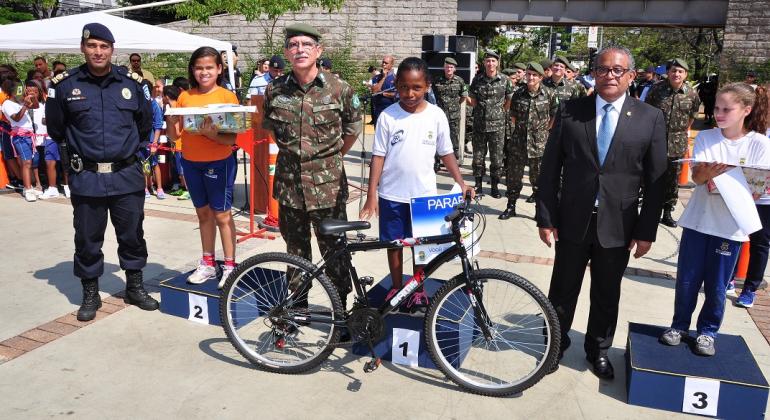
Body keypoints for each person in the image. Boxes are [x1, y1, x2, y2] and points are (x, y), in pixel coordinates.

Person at [536, 45, 667, 378]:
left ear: (631, 76)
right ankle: (555, 344)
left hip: (620, 223)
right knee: (563, 287)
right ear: (594, 73)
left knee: (607, 291)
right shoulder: (570, 111)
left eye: (618, 70)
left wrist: (646, 230)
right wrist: (546, 217)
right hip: (573, 219)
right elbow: (550, 169)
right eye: (603, 69)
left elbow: (656, 182)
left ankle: (599, 350)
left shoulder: (650, 118)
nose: (610, 75)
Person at [45, 23, 159, 321]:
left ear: (112, 49)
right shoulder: (64, 85)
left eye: (104, 46)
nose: (98, 51)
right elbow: (57, 129)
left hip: (126, 174)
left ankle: (134, 287)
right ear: (83, 48)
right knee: (87, 237)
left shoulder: (132, 83)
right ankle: (90, 293)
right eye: (92, 46)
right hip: (87, 177)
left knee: (133, 234)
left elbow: (144, 124)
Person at [660, 83, 770, 355]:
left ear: (746, 110)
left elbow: (756, 188)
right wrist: (724, 176)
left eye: (726, 109)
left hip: (730, 228)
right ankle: (679, 325)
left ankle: (708, 332)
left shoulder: (759, 144)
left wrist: (718, 175)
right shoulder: (708, 137)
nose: (719, 113)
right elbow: (699, 178)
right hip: (698, 221)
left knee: (717, 285)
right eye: (717, 108)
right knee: (687, 280)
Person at [262, 23, 362, 309]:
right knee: (295, 249)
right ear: (286, 52)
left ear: (319, 50)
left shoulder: (339, 89)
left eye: (306, 44)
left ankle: (340, 308)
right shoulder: (275, 90)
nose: (300, 49)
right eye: (294, 45)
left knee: (335, 250)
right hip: (290, 186)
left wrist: (331, 158)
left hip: (327, 188)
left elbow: (353, 129)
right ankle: (299, 306)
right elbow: (272, 129)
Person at [360, 57, 472, 308]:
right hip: (392, 195)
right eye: (403, 87)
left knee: (422, 247)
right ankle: (398, 288)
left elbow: (447, 153)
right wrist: (372, 194)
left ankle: (418, 288)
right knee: (394, 244)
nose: (409, 94)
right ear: (396, 86)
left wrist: (461, 183)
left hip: (424, 198)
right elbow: (378, 156)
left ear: (428, 86)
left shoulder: (436, 115)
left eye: (416, 88)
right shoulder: (388, 116)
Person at [165, 47, 239, 288]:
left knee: (222, 215)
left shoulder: (227, 97)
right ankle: (208, 262)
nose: (204, 72)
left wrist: (212, 134)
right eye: (199, 68)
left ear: (219, 69)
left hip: (219, 161)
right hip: (191, 162)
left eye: (209, 67)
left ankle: (230, 266)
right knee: (203, 214)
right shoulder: (185, 97)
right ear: (192, 70)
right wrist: (170, 120)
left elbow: (231, 140)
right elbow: (175, 136)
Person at [645, 58, 701, 228]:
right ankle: (650, 212)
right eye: (674, 71)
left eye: (680, 71)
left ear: (685, 74)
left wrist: (681, 132)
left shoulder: (691, 94)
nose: (676, 74)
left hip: (677, 144)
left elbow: (692, 116)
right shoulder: (656, 89)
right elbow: (646, 112)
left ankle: (667, 212)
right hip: (656, 141)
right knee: (652, 177)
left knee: (672, 180)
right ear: (668, 73)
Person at [500, 62, 558, 219]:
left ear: (540, 77)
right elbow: (512, 116)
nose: (530, 78)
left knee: (538, 180)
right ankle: (511, 206)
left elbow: (554, 115)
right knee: (513, 178)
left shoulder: (550, 94)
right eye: (528, 74)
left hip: (538, 145)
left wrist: (544, 130)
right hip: (518, 144)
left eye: (534, 75)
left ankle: (539, 211)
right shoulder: (518, 93)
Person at [468, 50, 513, 198]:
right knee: (478, 157)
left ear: (497, 63)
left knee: (496, 159)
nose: (490, 63)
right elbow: (473, 100)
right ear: (484, 63)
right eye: (488, 61)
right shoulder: (477, 79)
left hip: (497, 127)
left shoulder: (505, 80)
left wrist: (499, 112)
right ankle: (479, 185)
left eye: (493, 61)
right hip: (479, 126)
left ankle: (494, 187)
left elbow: (509, 101)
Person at [1, 78, 38, 201]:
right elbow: (16, 118)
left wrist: (32, 96)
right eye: (19, 89)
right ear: (12, 91)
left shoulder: (21, 101)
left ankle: (30, 186)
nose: (21, 92)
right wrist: (26, 106)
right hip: (19, 136)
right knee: (26, 162)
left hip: (30, 136)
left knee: (29, 163)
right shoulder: (7, 104)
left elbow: (36, 106)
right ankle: (27, 189)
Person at [431, 57, 468, 170]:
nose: (449, 69)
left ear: (454, 69)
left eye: (451, 67)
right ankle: (436, 161)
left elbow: (463, 96)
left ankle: (453, 162)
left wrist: (454, 106)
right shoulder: (437, 80)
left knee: (453, 139)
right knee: (437, 138)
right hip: (439, 115)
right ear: (444, 67)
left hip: (453, 116)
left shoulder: (459, 81)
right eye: (447, 67)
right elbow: (432, 96)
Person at [140, 80, 165, 199]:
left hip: (151, 141)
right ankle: (145, 187)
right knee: (143, 164)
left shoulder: (154, 105)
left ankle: (159, 188)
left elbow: (158, 125)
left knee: (155, 164)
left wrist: (155, 142)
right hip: (140, 142)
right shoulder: (139, 104)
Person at [371, 55, 397, 125]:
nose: (383, 64)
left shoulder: (396, 79)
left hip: (391, 111)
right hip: (378, 111)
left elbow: (398, 94)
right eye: (383, 62)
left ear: (391, 65)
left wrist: (384, 94)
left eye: (386, 63)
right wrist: (383, 77)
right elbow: (374, 91)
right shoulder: (376, 77)